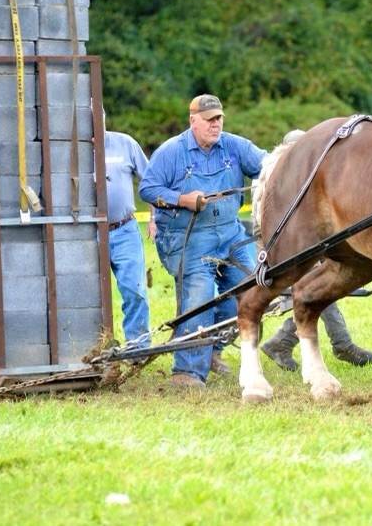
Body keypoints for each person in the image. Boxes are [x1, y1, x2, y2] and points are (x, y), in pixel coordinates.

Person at [139, 94, 265, 390]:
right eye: (209, 120)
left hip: (231, 233)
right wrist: (181, 199)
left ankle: (212, 351)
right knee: (200, 298)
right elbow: (147, 188)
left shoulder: (234, 146)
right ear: (193, 120)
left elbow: (267, 165)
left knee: (251, 289)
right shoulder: (172, 152)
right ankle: (187, 372)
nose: (215, 124)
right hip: (186, 238)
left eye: (219, 118)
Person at [250, 129, 372, 371]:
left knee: (322, 288)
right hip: (279, 245)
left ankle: (285, 343)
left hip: (304, 242)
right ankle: (340, 344)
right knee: (318, 289)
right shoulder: (279, 174)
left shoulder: (300, 174)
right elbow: (267, 222)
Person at [104, 120, 153, 347]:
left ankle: (138, 347)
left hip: (125, 229)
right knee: (92, 296)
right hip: (86, 235)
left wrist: (154, 219)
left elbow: (151, 180)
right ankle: (100, 347)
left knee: (134, 290)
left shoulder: (125, 143)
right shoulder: (72, 149)